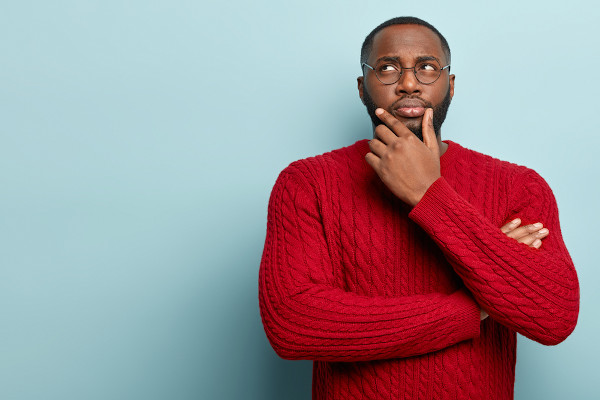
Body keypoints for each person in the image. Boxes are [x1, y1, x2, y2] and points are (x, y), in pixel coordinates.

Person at [258, 16, 579, 399]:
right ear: (363, 88)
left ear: (451, 85)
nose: (409, 83)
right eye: (388, 68)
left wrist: (429, 193)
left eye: (427, 68)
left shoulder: (518, 187)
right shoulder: (306, 183)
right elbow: (293, 325)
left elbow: (554, 317)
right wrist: (471, 307)